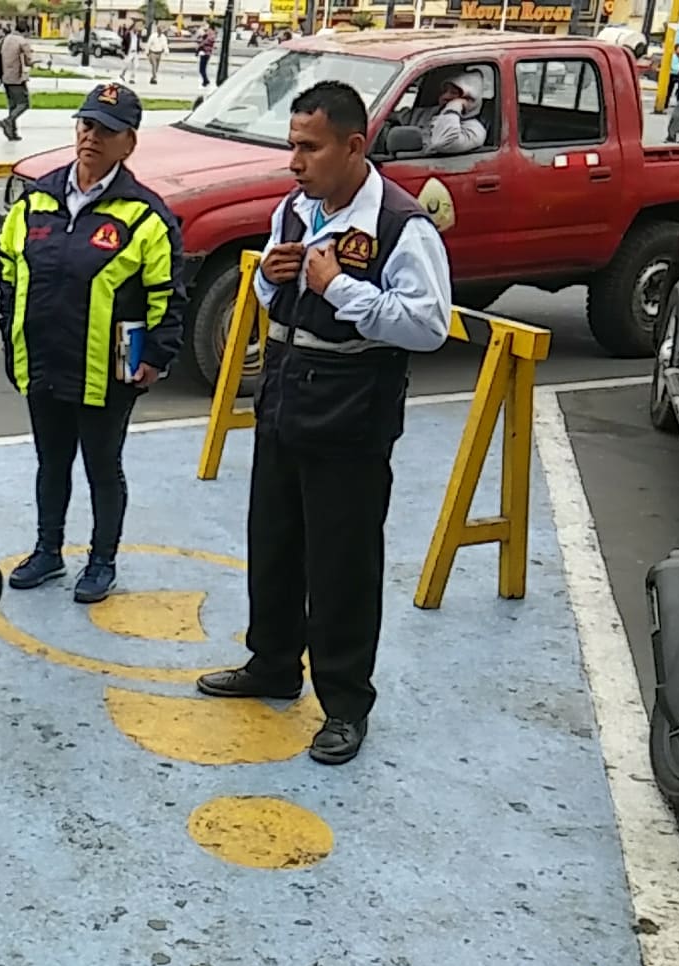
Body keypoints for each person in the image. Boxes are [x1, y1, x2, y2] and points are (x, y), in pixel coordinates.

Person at [194, 81, 451, 766]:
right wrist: (271, 279)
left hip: (352, 406)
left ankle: (345, 705)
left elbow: (428, 324)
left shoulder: (400, 225)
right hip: (284, 393)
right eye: (292, 146)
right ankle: (272, 663)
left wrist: (341, 288)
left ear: (354, 146)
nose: (295, 162)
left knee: (342, 564)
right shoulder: (295, 210)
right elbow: (268, 293)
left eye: (309, 147)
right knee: (273, 543)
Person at [0, 83, 186, 603]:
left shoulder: (145, 216)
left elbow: (166, 294)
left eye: (106, 130)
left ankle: (102, 561)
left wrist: (156, 356)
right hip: (44, 361)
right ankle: (48, 551)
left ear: (129, 143)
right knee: (50, 462)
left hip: (106, 371)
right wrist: (8, 334)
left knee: (103, 466)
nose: (91, 137)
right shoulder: (37, 200)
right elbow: (10, 275)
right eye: (86, 125)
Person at [390, 71, 485, 155]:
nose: (445, 96)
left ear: (469, 100)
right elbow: (392, 116)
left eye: (453, 93)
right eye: (444, 91)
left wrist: (453, 108)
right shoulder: (429, 113)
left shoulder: (474, 130)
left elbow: (444, 143)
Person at [0, 19, 32, 141]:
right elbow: (29, 61)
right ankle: (8, 121)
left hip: (5, 77)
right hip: (17, 78)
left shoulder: (6, 39)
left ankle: (12, 133)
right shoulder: (22, 42)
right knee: (24, 104)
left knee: (12, 105)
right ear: (26, 31)